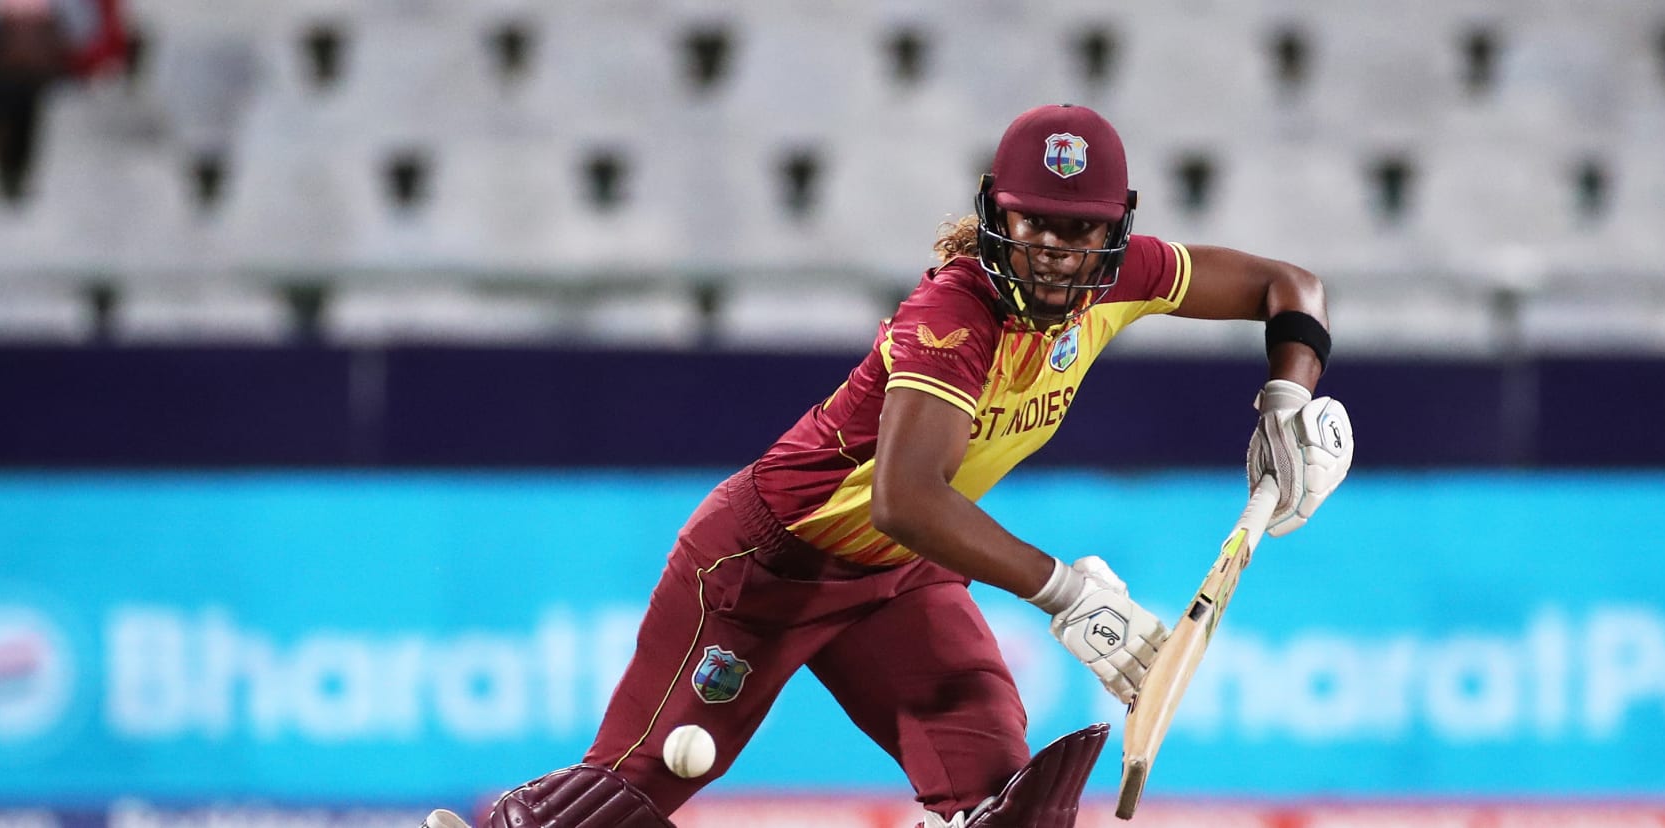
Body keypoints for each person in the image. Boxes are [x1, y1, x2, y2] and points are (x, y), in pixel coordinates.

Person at [442, 103, 1355, 828]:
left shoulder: (1125, 278)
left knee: (1006, 802)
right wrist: (1069, 595)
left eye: (1078, 233)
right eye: (1033, 223)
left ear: (1117, 229)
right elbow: (906, 499)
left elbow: (1293, 287)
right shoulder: (953, 316)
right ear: (997, 209)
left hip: (899, 585)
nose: (1051, 252)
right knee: (619, 803)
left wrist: (1286, 397)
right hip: (764, 566)